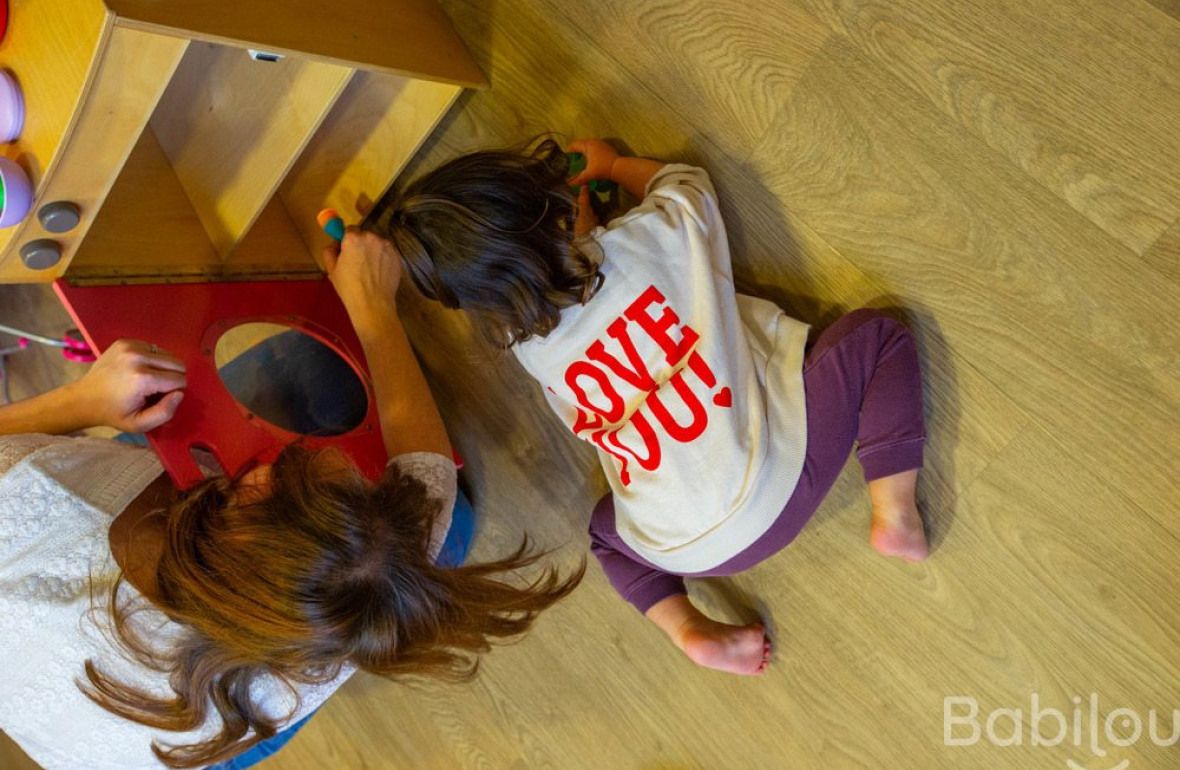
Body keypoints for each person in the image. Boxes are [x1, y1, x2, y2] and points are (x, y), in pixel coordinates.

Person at [0, 229, 582, 770]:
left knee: (321, 386)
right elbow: (425, 499)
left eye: (279, 474)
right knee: (450, 529)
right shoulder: (296, 669)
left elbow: (418, 490)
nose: (281, 455)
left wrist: (81, 404)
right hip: (166, 751)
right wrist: (374, 308)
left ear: (216, 522)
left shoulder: (29, 500)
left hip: (84, 703)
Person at [365, 137, 929, 677]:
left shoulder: (530, 351)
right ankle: (893, 505)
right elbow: (688, 185)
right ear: (544, 198)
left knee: (606, 533)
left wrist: (578, 245)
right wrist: (614, 166)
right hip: (776, 479)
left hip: (692, 553)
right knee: (876, 336)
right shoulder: (647, 237)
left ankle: (687, 628)